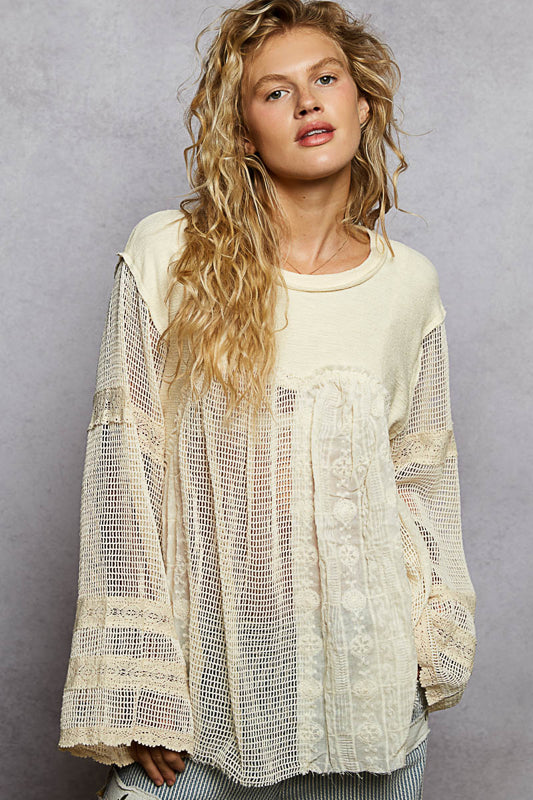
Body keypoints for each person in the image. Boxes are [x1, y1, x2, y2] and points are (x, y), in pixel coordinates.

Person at [57, 1, 477, 798]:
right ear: (244, 133)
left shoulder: (406, 285)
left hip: (369, 708)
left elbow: (420, 480)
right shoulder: (169, 256)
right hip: (202, 712)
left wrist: (431, 648)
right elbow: (124, 472)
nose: (308, 102)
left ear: (363, 103)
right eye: (275, 91)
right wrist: (138, 687)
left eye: (326, 79)